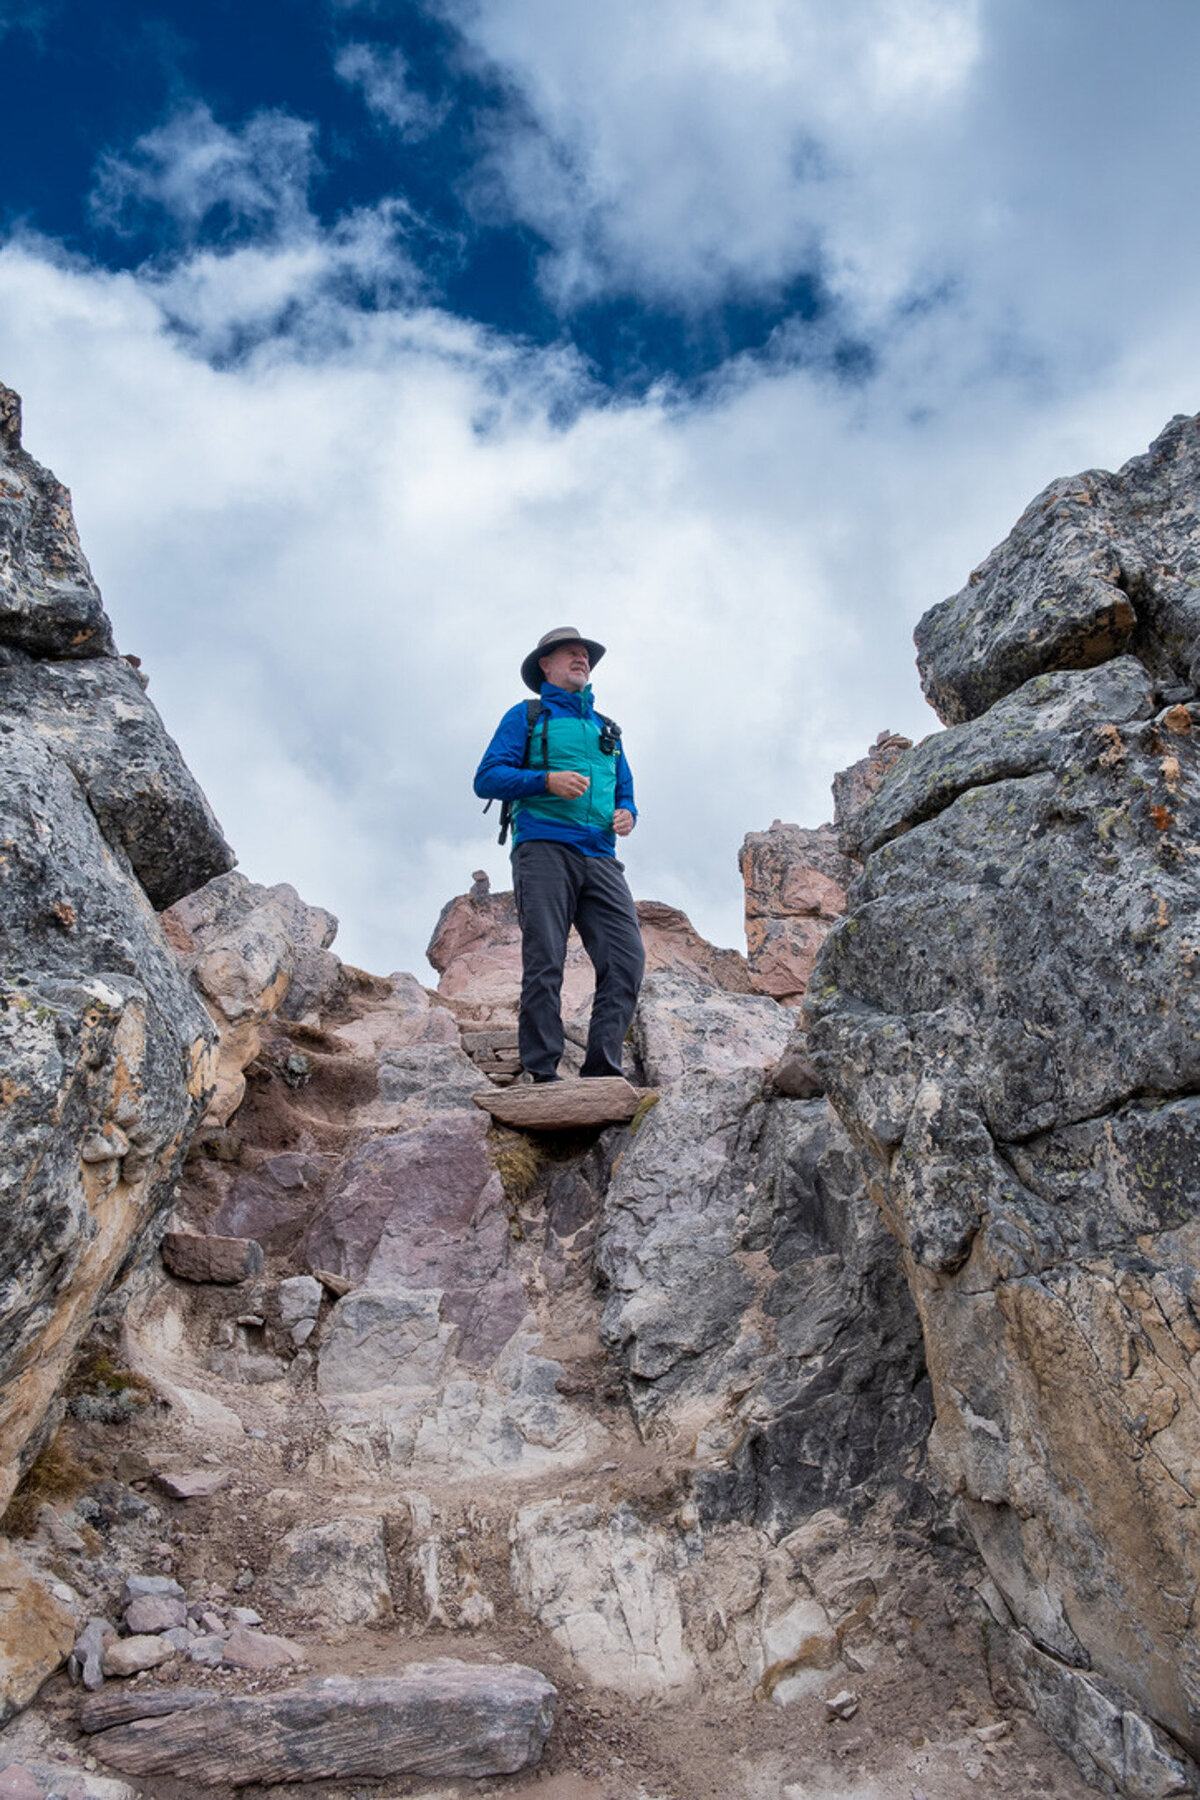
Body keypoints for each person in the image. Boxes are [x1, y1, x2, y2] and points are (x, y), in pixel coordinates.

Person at [474, 626, 645, 1083]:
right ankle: (542, 1073)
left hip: (601, 857)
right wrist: (546, 781)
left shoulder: (607, 728)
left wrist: (627, 813)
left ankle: (602, 1071)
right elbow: (487, 778)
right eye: (570, 653)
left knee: (627, 960)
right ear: (545, 666)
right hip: (544, 847)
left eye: (585, 654)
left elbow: (625, 790)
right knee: (545, 959)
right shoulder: (527, 716)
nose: (581, 658)